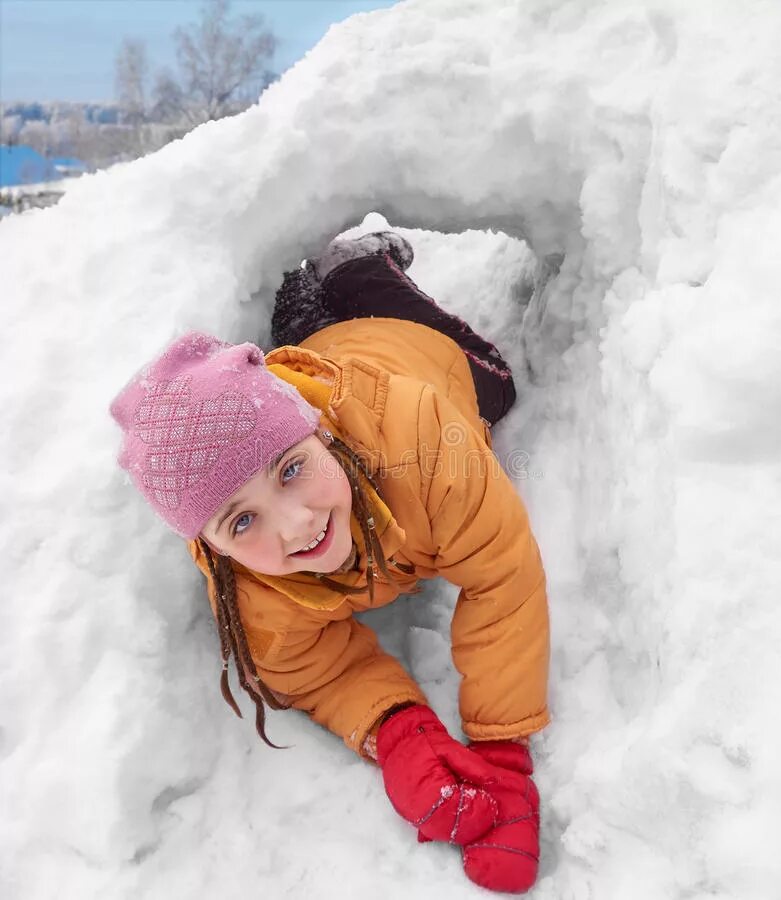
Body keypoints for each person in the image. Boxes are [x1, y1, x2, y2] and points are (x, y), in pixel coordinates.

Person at [109, 232, 550, 894]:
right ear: (210, 547)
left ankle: (362, 272)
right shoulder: (246, 586)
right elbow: (311, 667)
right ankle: (307, 315)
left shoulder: (425, 444)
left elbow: (499, 575)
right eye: (242, 519)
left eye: (291, 470)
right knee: (315, 343)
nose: (296, 524)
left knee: (496, 383)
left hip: (407, 354)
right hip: (313, 369)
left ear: (317, 430)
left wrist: (501, 752)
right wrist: (396, 731)